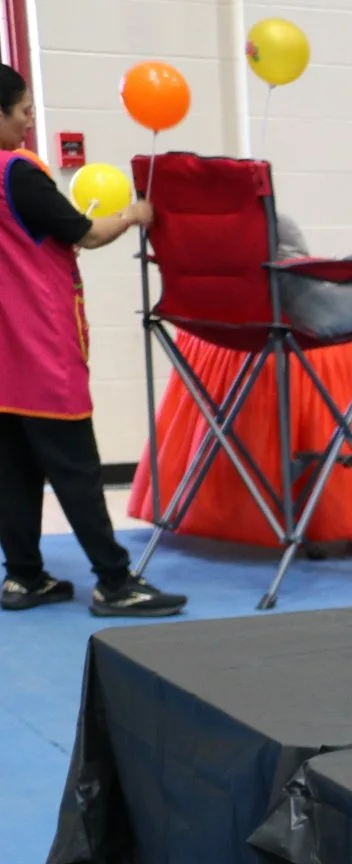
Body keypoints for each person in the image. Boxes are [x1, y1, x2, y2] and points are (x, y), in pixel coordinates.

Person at [0, 65, 184, 616]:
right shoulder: (17, 173)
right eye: (24, 111)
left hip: (4, 353)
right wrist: (133, 213)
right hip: (40, 348)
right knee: (77, 469)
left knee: (12, 469)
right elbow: (87, 231)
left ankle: (24, 578)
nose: (31, 122)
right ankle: (115, 582)